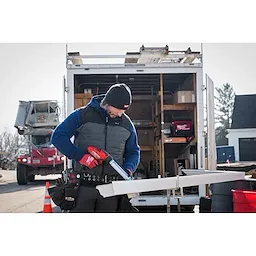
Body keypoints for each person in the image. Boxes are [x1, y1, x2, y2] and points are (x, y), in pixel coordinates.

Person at [50, 83, 140, 212]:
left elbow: (134, 151)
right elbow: (58, 137)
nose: (120, 114)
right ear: (108, 103)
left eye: (123, 111)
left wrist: (128, 168)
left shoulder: (127, 124)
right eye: (118, 110)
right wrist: (80, 156)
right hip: (84, 189)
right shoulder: (82, 115)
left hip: (112, 190)